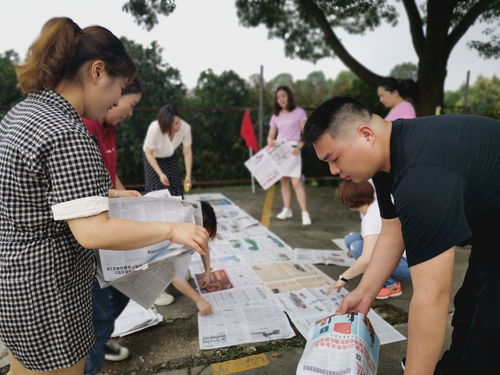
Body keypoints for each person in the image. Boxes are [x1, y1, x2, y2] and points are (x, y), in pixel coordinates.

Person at [0, 17, 208, 375]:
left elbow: (39, 193)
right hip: (50, 290)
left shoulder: (24, 113)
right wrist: (171, 231)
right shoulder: (67, 131)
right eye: (120, 86)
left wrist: (106, 193)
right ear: (98, 72)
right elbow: (92, 232)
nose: (116, 100)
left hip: (16, 279)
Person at [302, 96, 500, 374]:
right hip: (490, 229)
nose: (333, 171)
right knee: (468, 309)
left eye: (334, 158)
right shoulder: (388, 155)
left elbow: (431, 298)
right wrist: (365, 293)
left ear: (366, 135)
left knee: (489, 332)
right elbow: (393, 232)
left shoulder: (421, 180)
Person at [82, 78, 143, 374]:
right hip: (91, 231)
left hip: (109, 222)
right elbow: (89, 191)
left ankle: (101, 337)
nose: (128, 112)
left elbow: (110, 176)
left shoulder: (108, 129)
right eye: (129, 104)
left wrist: (130, 201)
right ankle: (94, 356)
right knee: (99, 312)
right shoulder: (84, 127)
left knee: (129, 285)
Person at [327, 180, 411, 299]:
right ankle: (372, 272)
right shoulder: (373, 205)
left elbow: (367, 257)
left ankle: (391, 285)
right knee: (352, 239)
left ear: (347, 202)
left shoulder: (372, 217)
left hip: (408, 266)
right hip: (404, 255)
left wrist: (343, 278)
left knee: (358, 248)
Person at [155, 200, 214, 306]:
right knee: (169, 295)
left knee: (183, 281)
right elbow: (174, 275)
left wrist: (207, 272)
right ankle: (155, 291)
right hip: (150, 262)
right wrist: (198, 300)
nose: (205, 237)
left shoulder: (194, 229)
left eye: (207, 233)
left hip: (170, 260)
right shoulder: (175, 236)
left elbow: (205, 247)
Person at [267, 85, 311, 226]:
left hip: (294, 149)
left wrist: (300, 146)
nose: (281, 100)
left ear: (289, 96)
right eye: (278, 97)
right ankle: (287, 209)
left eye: (283, 96)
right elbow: (270, 136)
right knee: (284, 181)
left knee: (296, 182)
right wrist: (271, 142)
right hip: (280, 151)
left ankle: (305, 212)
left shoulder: (299, 112)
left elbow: (306, 132)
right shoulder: (276, 115)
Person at [143, 104, 192, 196]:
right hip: (153, 157)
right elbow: (149, 153)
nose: (175, 127)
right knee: (155, 189)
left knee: (176, 188)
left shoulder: (186, 128)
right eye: (171, 124)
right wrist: (160, 174)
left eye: (177, 122)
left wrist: (188, 175)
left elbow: (187, 152)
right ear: (165, 123)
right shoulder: (155, 128)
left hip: (169, 156)